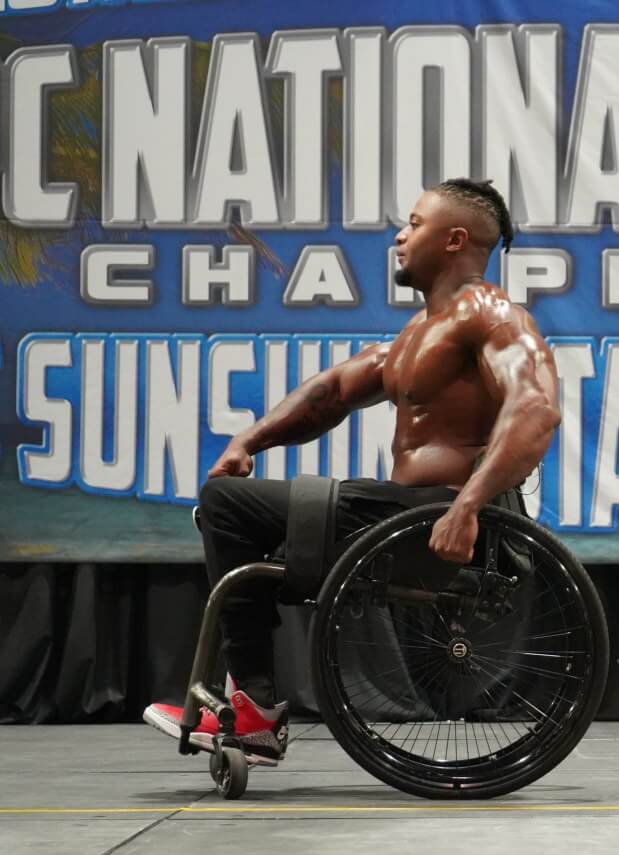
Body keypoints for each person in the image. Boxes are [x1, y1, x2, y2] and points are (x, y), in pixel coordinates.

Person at [143, 178, 561, 763]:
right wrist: (248, 441)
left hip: (438, 519)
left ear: (454, 239)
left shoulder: (489, 314)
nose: (400, 236)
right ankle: (251, 706)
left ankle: (255, 711)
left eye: (415, 224)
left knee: (226, 507)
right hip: (404, 516)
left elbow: (536, 407)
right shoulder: (421, 332)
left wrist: (468, 505)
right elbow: (334, 392)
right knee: (238, 515)